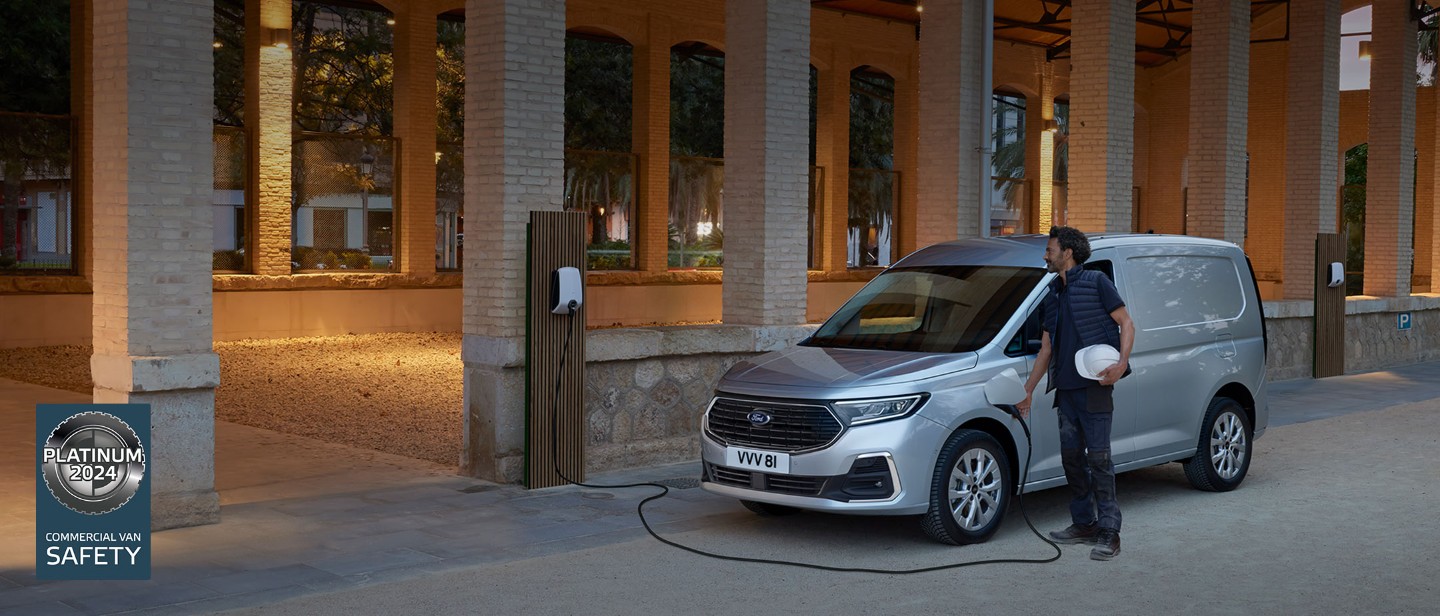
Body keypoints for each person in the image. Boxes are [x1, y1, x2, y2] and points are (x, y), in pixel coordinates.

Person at [1017, 226, 1136, 561]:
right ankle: (1084, 523)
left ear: (1067, 252)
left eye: (1050, 249)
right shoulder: (1052, 293)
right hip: (1066, 392)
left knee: (1099, 459)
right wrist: (1028, 391)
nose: (1046, 254)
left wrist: (1121, 363)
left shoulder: (1097, 283)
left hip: (1095, 388)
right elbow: (1046, 349)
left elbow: (1126, 323)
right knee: (1071, 459)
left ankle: (1110, 531)